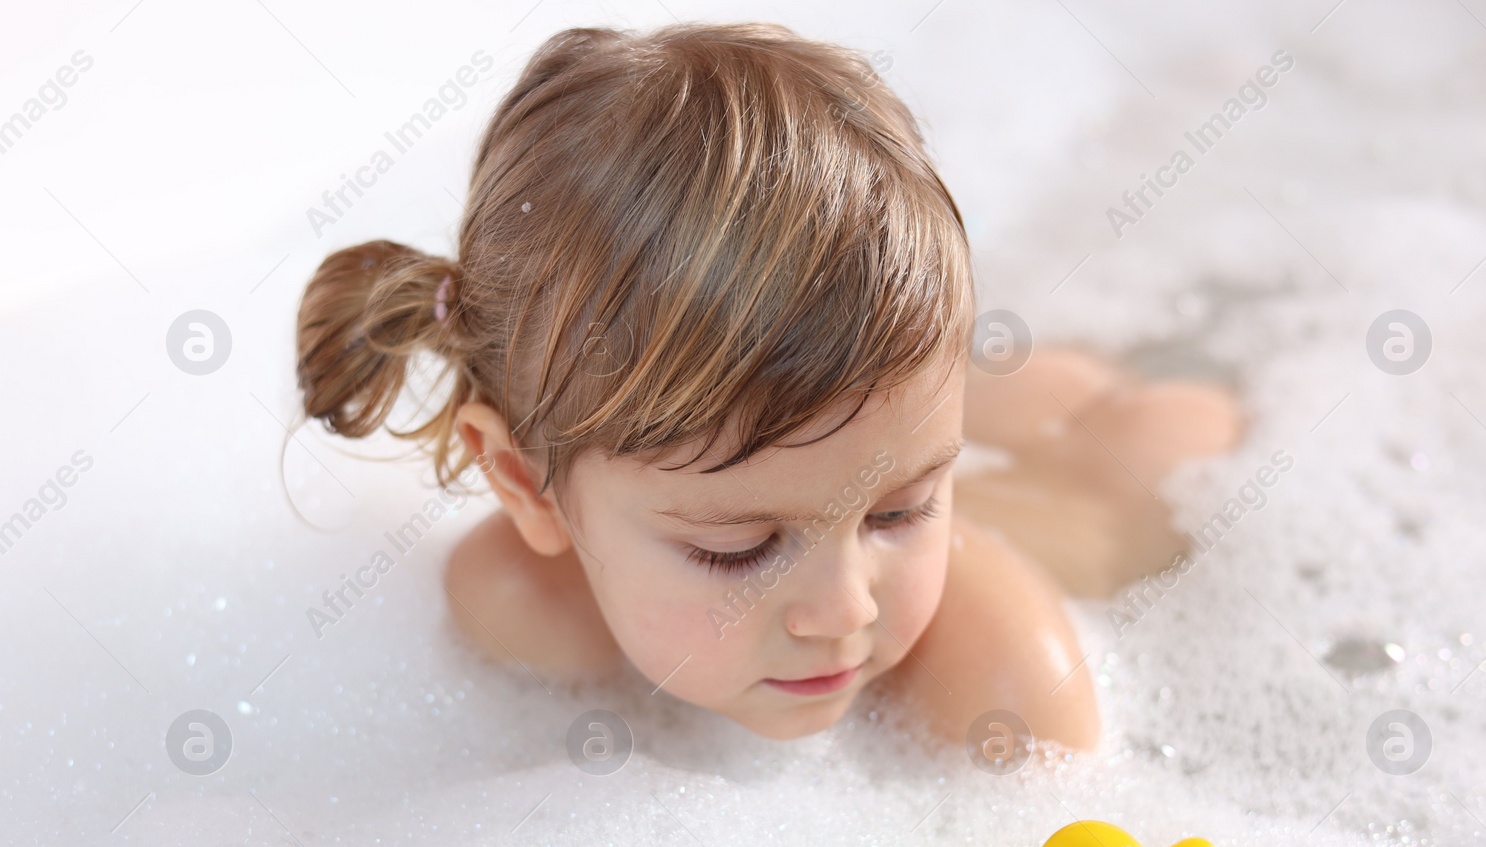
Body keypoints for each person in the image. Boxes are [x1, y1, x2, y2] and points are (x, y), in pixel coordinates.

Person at [294, 23, 1239, 745]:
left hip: (1076, 518)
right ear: (524, 485)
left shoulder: (1000, 688)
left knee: (1163, 441)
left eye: (904, 512)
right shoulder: (514, 608)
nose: (847, 611)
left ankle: (1081, 402)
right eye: (740, 549)